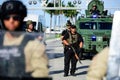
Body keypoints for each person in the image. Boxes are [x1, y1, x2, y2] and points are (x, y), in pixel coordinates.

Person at [0, 0, 48, 78]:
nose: (11, 21)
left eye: (15, 18)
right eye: (7, 17)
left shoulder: (32, 44)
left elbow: (41, 71)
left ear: (21, 19)